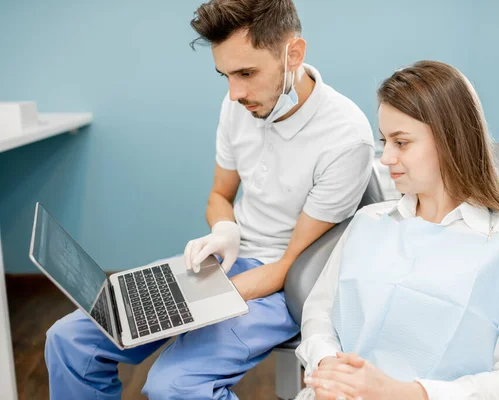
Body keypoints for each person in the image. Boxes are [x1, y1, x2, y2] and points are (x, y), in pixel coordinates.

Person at [43, 1, 374, 399]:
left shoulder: (345, 136)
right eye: (226, 76)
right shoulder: (239, 106)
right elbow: (220, 194)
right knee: (68, 340)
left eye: (247, 73)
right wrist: (225, 229)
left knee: (173, 387)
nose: (235, 93)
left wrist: (195, 302)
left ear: (294, 54)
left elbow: (288, 266)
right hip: (227, 265)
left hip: (284, 284)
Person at [295, 61, 499, 400]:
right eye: (384, 140)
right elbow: (319, 315)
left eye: (401, 142)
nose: (386, 157)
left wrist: (407, 393)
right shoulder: (368, 223)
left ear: (451, 141)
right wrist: (330, 368)